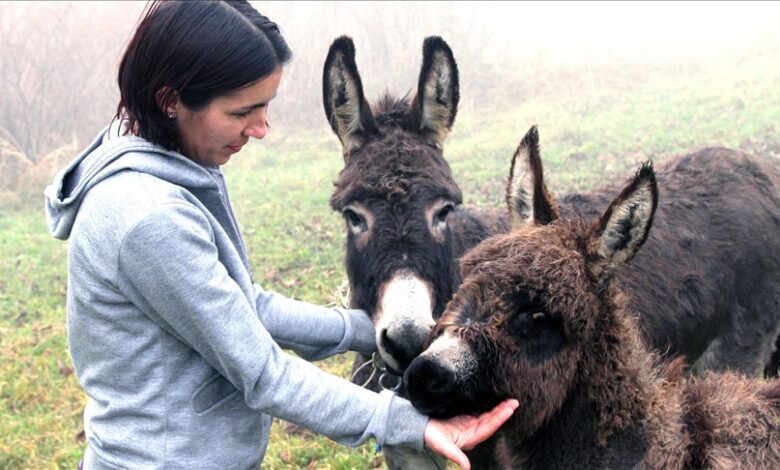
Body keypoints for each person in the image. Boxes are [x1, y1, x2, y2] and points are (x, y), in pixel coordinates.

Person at [44, 1, 517, 469]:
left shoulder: (167, 164)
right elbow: (264, 374)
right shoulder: (149, 217)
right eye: (241, 111)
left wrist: (365, 328)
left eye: (265, 107)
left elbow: (245, 305)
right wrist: (409, 424)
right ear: (172, 102)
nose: (262, 129)